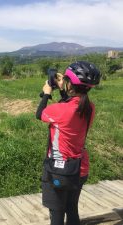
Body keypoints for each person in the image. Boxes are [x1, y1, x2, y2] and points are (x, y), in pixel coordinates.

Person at [36, 61, 101, 225]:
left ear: (70, 84)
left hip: (60, 170)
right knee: (72, 208)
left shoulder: (60, 109)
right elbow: (71, 104)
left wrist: (47, 93)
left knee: (57, 213)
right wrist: (66, 88)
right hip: (80, 168)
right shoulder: (89, 107)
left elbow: (40, 113)